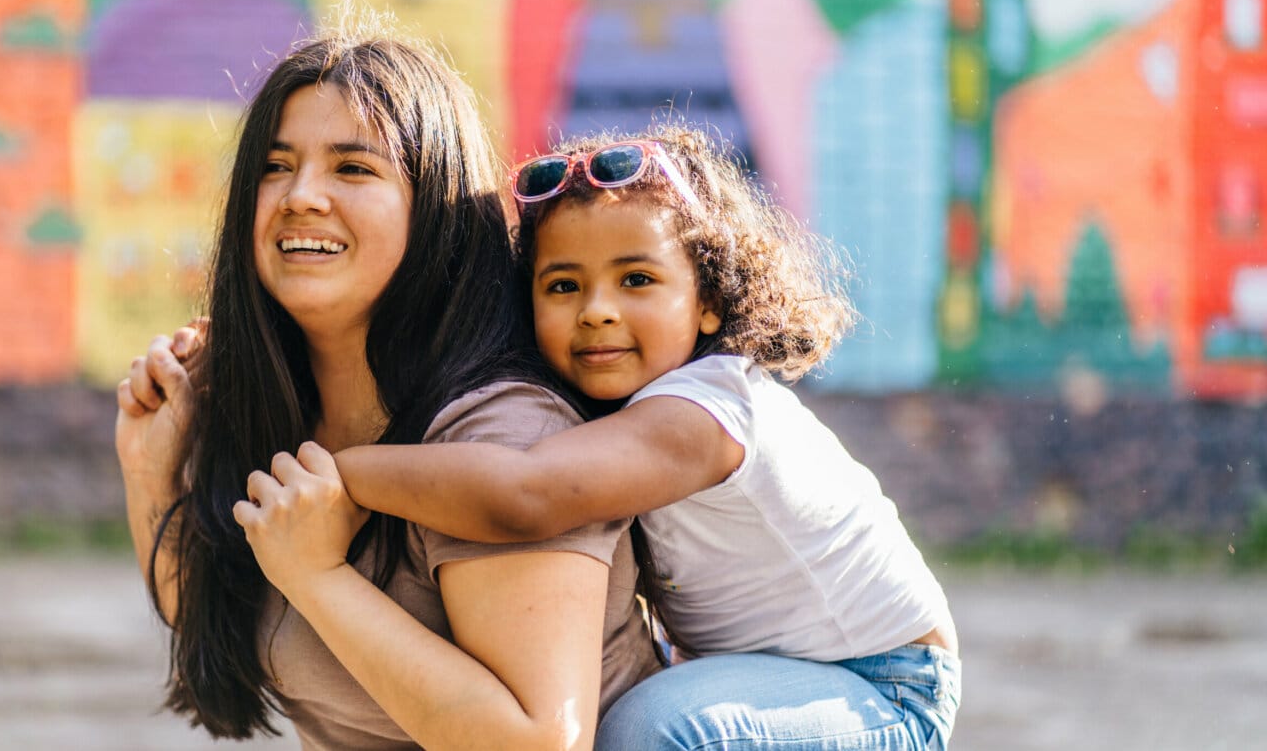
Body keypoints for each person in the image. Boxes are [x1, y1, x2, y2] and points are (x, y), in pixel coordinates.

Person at [330, 125, 963, 750]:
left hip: (884, 689)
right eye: (563, 285)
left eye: (636, 280)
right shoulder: (606, 412)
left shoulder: (704, 410)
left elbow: (524, 496)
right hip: (773, 678)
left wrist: (335, 473)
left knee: (653, 729)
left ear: (708, 300)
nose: (596, 309)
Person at [115, 25, 659, 750]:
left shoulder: (501, 435)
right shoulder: (280, 407)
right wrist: (151, 471)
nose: (301, 196)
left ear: (433, 207)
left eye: (353, 169)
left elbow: (535, 740)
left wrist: (318, 576)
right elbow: (214, 614)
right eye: (276, 167)